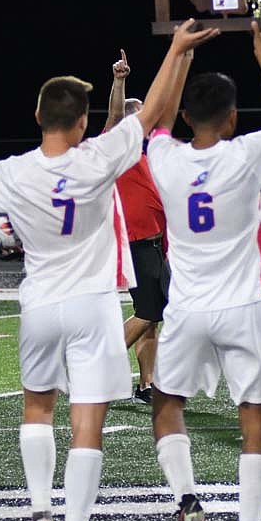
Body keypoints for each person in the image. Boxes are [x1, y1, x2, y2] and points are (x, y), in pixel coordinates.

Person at [0, 20, 217, 521]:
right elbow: (152, 113)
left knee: (37, 410)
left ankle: (40, 519)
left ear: (37, 117)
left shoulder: (12, 171)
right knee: (86, 422)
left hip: (39, 303)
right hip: (94, 305)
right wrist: (177, 48)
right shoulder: (98, 159)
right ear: (81, 123)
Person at [147, 19, 261, 521]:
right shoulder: (246, 154)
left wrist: (179, 52)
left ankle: (187, 497)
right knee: (254, 419)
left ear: (187, 116)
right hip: (245, 307)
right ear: (234, 117)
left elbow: (157, 122)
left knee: (166, 403)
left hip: (187, 308)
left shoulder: (164, 159)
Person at [102, 49, 170, 405]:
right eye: (141, 112)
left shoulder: (143, 153)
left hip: (155, 243)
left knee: (152, 316)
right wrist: (119, 80)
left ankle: (147, 385)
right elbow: (114, 116)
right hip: (136, 243)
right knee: (150, 311)